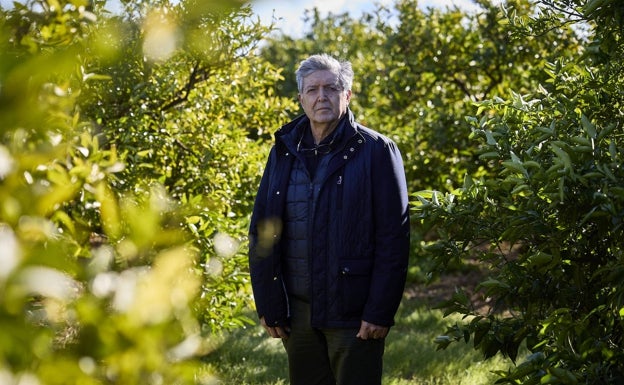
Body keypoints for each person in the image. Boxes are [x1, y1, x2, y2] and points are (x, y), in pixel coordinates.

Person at [248, 53, 410, 385]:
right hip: (299, 314)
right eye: (312, 89)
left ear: (347, 95)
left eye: (331, 88)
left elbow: (394, 239)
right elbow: (262, 230)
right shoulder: (283, 151)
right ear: (301, 98)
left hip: (354, 314)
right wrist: (268, 303)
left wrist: (379, 311)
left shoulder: (377, 150)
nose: (321, 96)